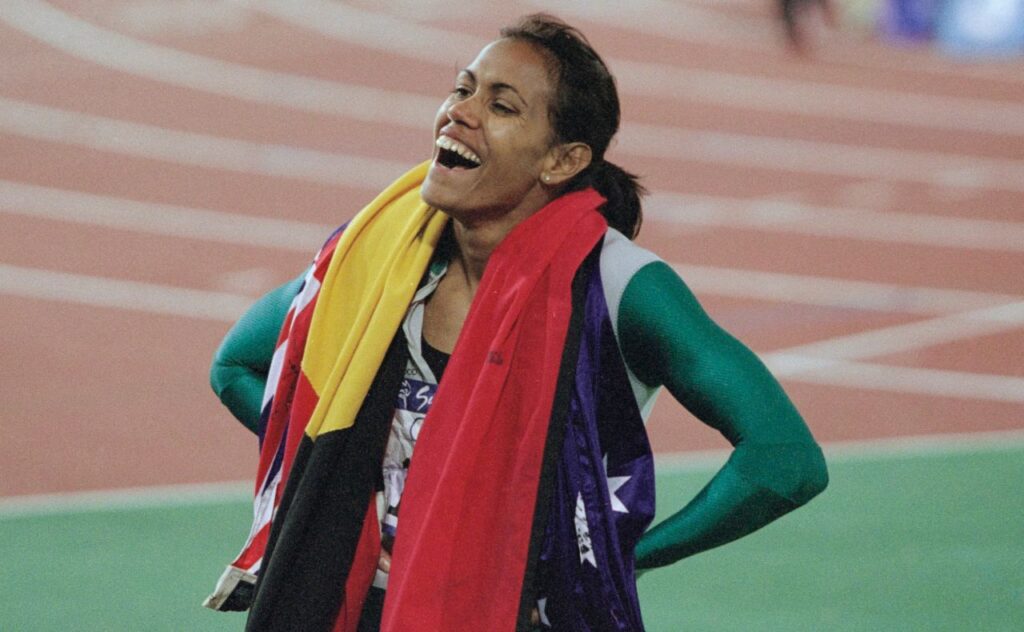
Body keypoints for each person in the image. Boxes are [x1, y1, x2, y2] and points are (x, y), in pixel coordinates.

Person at [204, 14, 828, 632]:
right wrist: (339, 482)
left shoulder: (618, 287)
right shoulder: (380, 262)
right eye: (462, 88)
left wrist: (618, 562)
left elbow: (785, 460)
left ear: (562, 161)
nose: (461, 112)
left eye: (501, 107)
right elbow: (236, 365)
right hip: (362, 607)